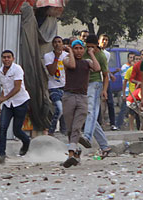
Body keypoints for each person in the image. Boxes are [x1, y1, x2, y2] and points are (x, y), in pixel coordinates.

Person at [62, 40, 100, 168]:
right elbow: (72, 65)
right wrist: (70, 52)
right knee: (70, 129)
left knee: (76, 127)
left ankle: (71, 154)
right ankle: (77, 150)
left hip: (82, 98)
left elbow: (97, 68)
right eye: (76, 48)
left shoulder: (87, 62)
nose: (78, 51)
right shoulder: (66, 60)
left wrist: (91, 54)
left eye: (80, 48)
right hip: (69, 96)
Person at [0, 50, 31, 164]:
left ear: (13, 58)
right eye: (4, 57)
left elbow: (17, 87)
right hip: (8, 104)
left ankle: (26, 142)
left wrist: (4, 98)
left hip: (21, 102)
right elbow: (4, 89)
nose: (6, 59)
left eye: (9, 57)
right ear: (1, 59)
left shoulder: (17, 69)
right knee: (3, 127)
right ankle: (1, 154)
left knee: (16, 130)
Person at [80, 34, 111, 158]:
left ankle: (87, 136)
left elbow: (105, 75)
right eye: (88, 47)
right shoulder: (83, 52)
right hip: (84, 84)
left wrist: (104, 90)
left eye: (92, 47)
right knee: (88, 114)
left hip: (96, 83)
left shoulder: (101, 56)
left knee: (91, 110)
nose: (89, 49)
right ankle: (104, 145)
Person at [44, 36, 68, 136]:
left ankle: (64, 131)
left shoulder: (67, 55)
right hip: (53, 86)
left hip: (65, 86)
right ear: (52, 44)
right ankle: (51, 130)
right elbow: (52, 72)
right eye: (55, 42)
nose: (57, 44)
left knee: (65, 111)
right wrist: (57, 57)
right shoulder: (48, 56)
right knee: (59, 108)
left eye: (59, 42)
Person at [98, 34, 118, 130]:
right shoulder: (95, 52)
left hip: (106, 80)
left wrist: (110, 75)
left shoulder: (107, 54)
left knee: (110, 102)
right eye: (103, 39)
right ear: (99, 41)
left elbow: (105, 67)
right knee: (97, 102)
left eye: (106, 40)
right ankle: (98, 123)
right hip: (97, 79)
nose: (104, 42)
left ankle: (113, 123)